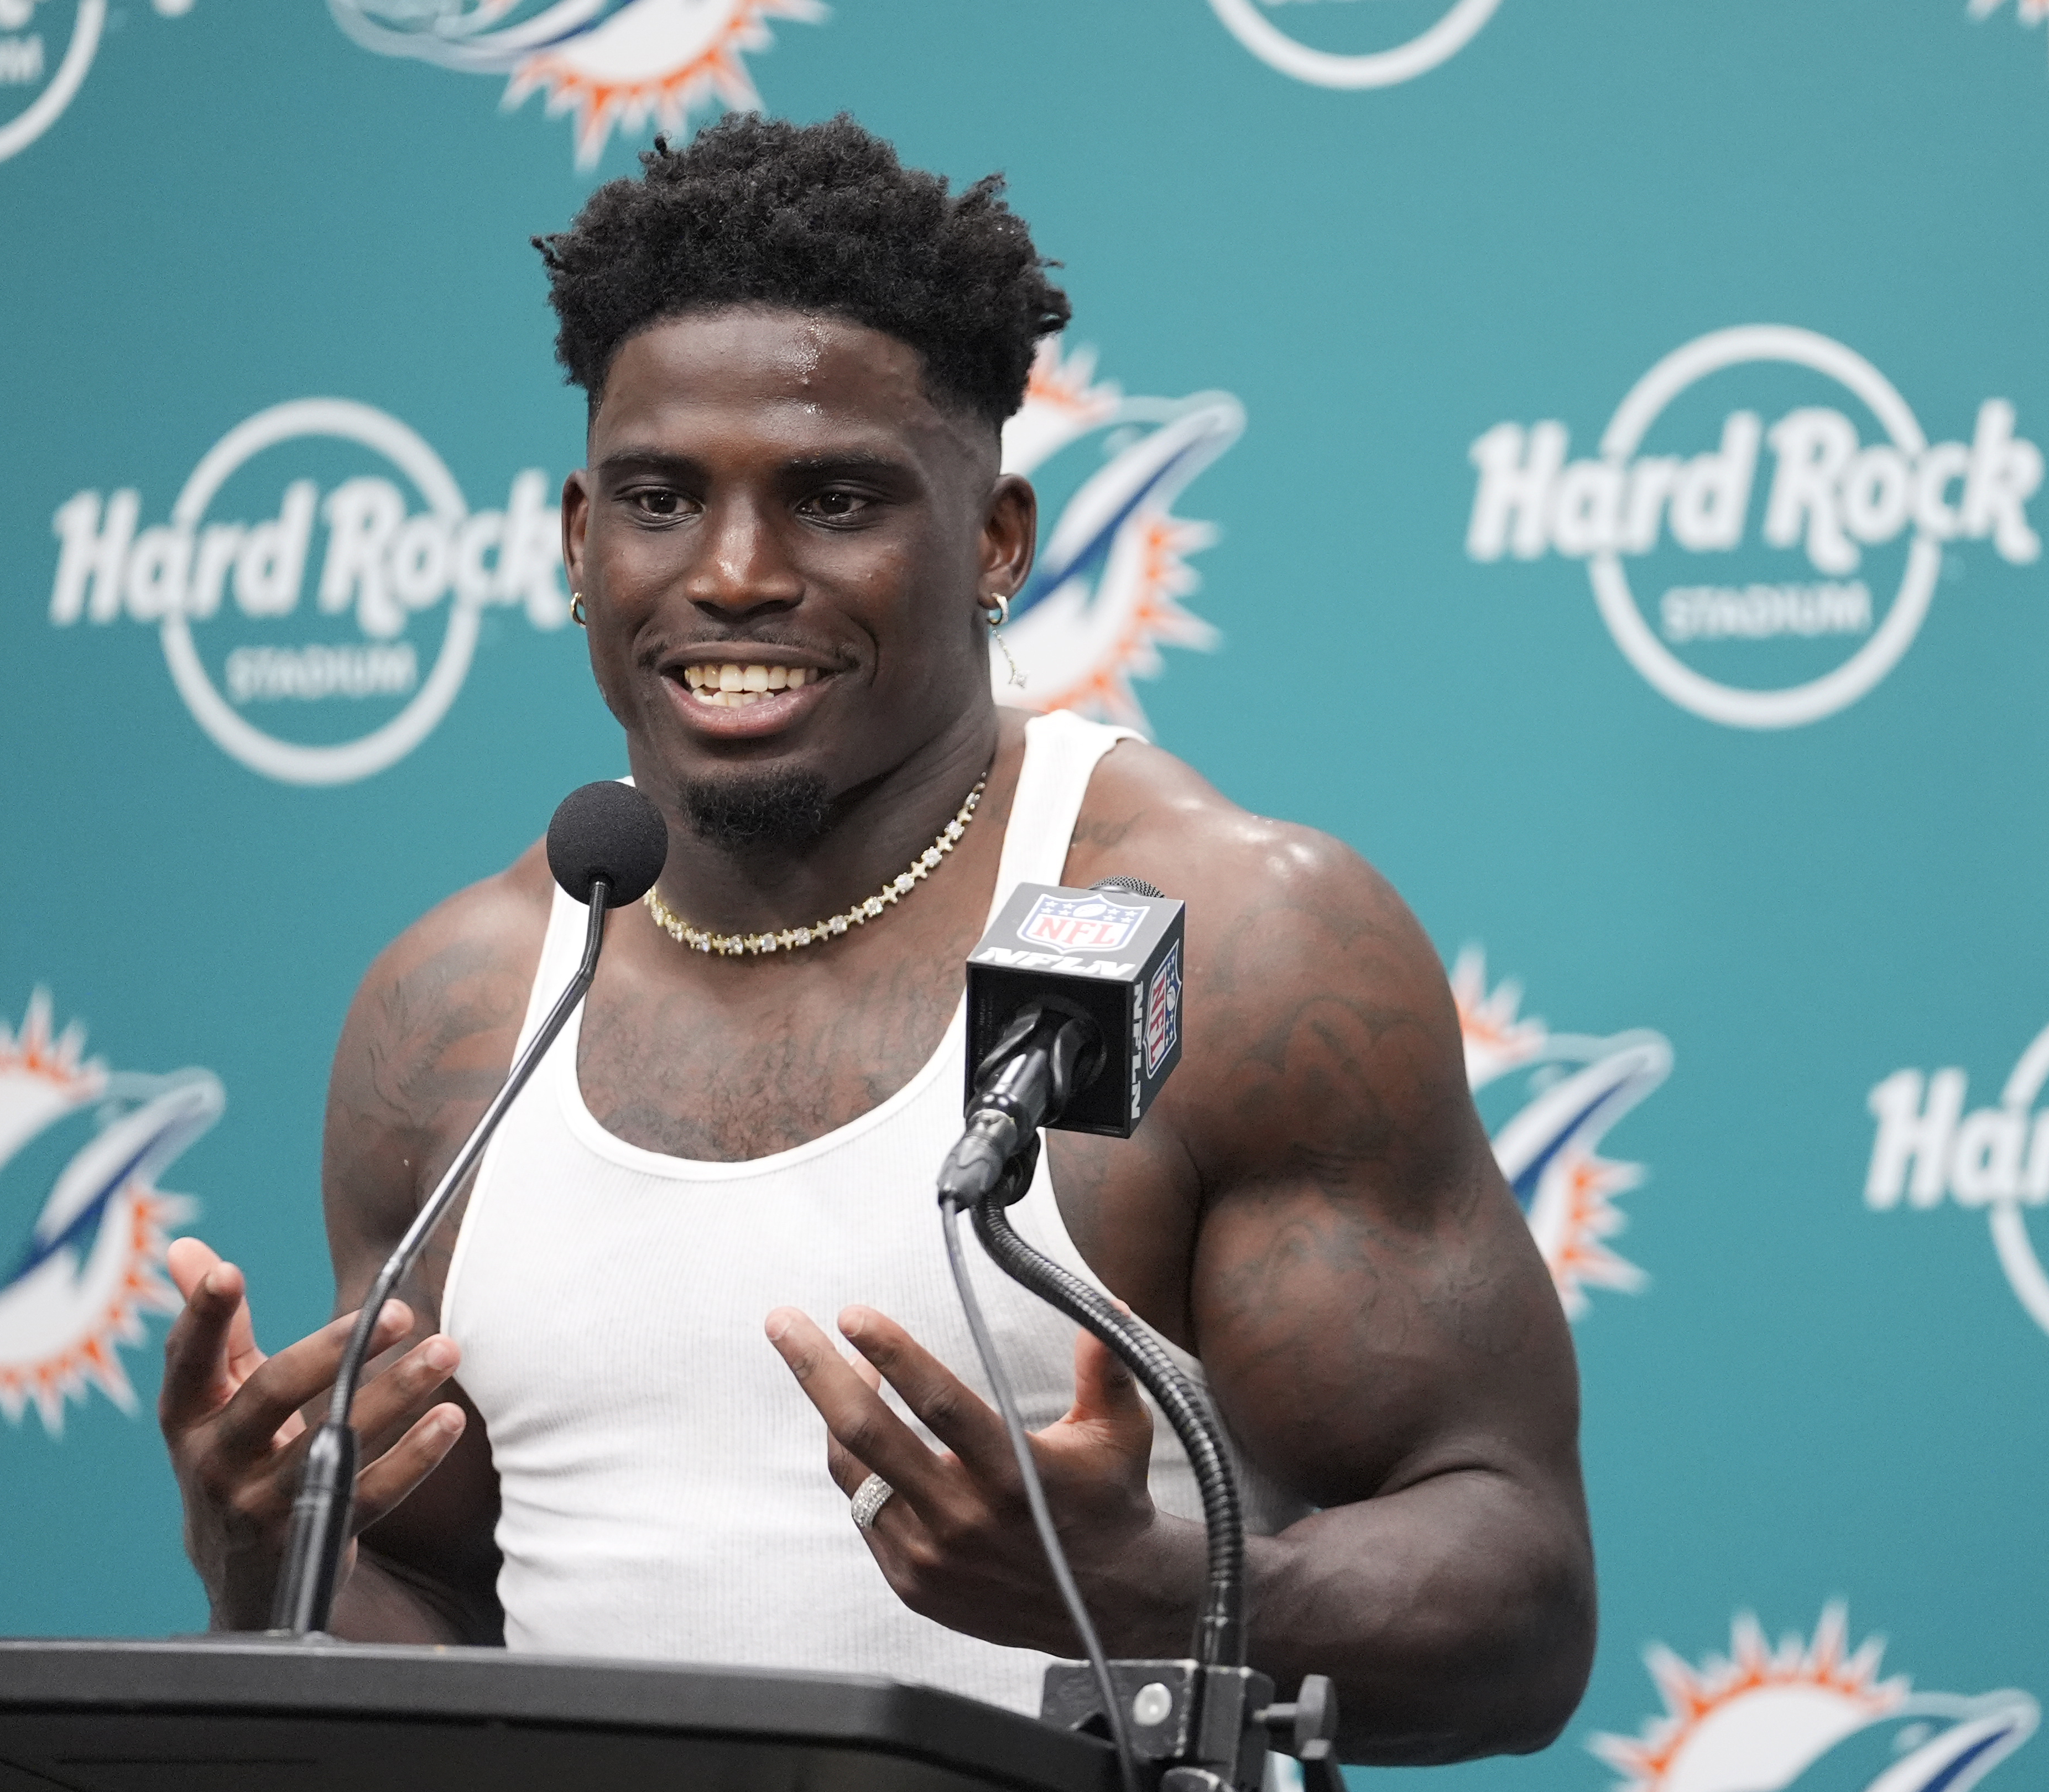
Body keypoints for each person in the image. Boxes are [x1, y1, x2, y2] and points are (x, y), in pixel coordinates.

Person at [158, 113, 1593, 1766]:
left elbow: (1520, 1606)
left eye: (833, 499)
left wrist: (1145, 1593)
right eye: (660, 499)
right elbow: (435, 1617)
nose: (737, 574)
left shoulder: (1227, 938)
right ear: (576, 541)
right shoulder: (463, 1012)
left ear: (994, 540)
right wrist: (271, 1557)